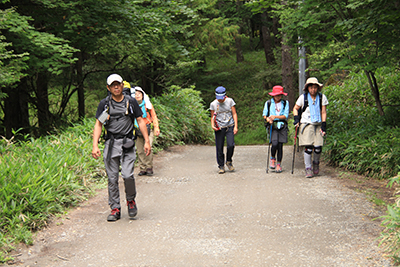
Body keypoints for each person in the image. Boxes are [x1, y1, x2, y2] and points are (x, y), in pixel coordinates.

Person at [92, 74, 151, 222]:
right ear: (108, 88)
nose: (116, 87)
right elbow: (99, 124)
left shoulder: (131, 102)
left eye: (118, 84)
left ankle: (130, 201)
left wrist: (146, 141)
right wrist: (95, 145)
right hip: (111, 145)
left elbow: (140, 120)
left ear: (122, 86)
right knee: (112, 178)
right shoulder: (105, 104)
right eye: (113, 85)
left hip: (127, 144)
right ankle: (115, 208)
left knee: (127, 175)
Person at [293, 77, 328, 178]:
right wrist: (296, 119)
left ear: (318, 88)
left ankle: (316, 163)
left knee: (318, 148)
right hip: (306, 124)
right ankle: (308, 168)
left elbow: (323, 112)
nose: (313, 90)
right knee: (308, 148)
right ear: (308, 88)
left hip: (318, 124)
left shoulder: (322, 97)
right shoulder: (303, 98)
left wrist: (324, 125)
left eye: (315, 88)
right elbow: (295, 108)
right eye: (311, 87)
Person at [210, 86, 238, 174]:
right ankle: (221, 166)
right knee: (219, 147)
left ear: (225, 95)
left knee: (231, 145)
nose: (220, 100)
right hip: (219, 127)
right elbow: (212, 117)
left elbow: (234, 113)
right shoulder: (213, 104)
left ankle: (229, 161)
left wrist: (236, 126)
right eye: (218, 98)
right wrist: (212, 125)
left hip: (229, 126)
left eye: (221, 98)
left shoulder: (230, 101)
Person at [133, 86, 160, 176]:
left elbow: (154, 116)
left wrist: (156, 127)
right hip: (137, 130)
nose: (137, 96)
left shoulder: (148, 105)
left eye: (139, 94)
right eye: (136, 94)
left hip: (148, 128)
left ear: (143, 95)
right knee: (140, 149)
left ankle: (149, 167)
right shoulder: (132, 106)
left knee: (148, 147)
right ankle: (142, 168)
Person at [262, 85, 289, 173]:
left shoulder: (285, 103)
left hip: (282, 126)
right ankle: (272, 158)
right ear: (273, 95)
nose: (278, 97)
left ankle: (278, 164)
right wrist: (268, 119)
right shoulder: (268, 103)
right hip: (272, 126)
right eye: (276, 95)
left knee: (280, 145)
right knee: (274, 143)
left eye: (280, 95)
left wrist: (275, 117)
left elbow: (285, 116)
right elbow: (264, 114)